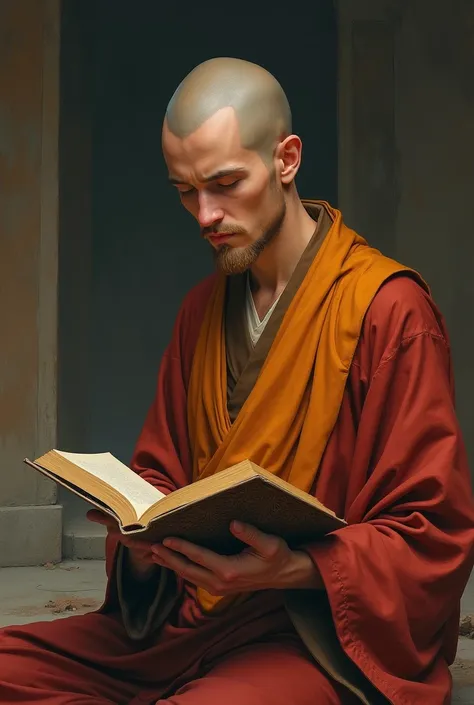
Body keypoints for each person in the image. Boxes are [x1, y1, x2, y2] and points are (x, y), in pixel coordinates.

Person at [0, 57, 473, 705]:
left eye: (225, 183)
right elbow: (161, 476)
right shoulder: (203, 308)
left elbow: (432, 533)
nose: (205, 214)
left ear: (286, 158)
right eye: (186, 191)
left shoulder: (389, 309)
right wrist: (142, 541)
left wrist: (296, 566)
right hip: (188, 619)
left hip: (311, 629)